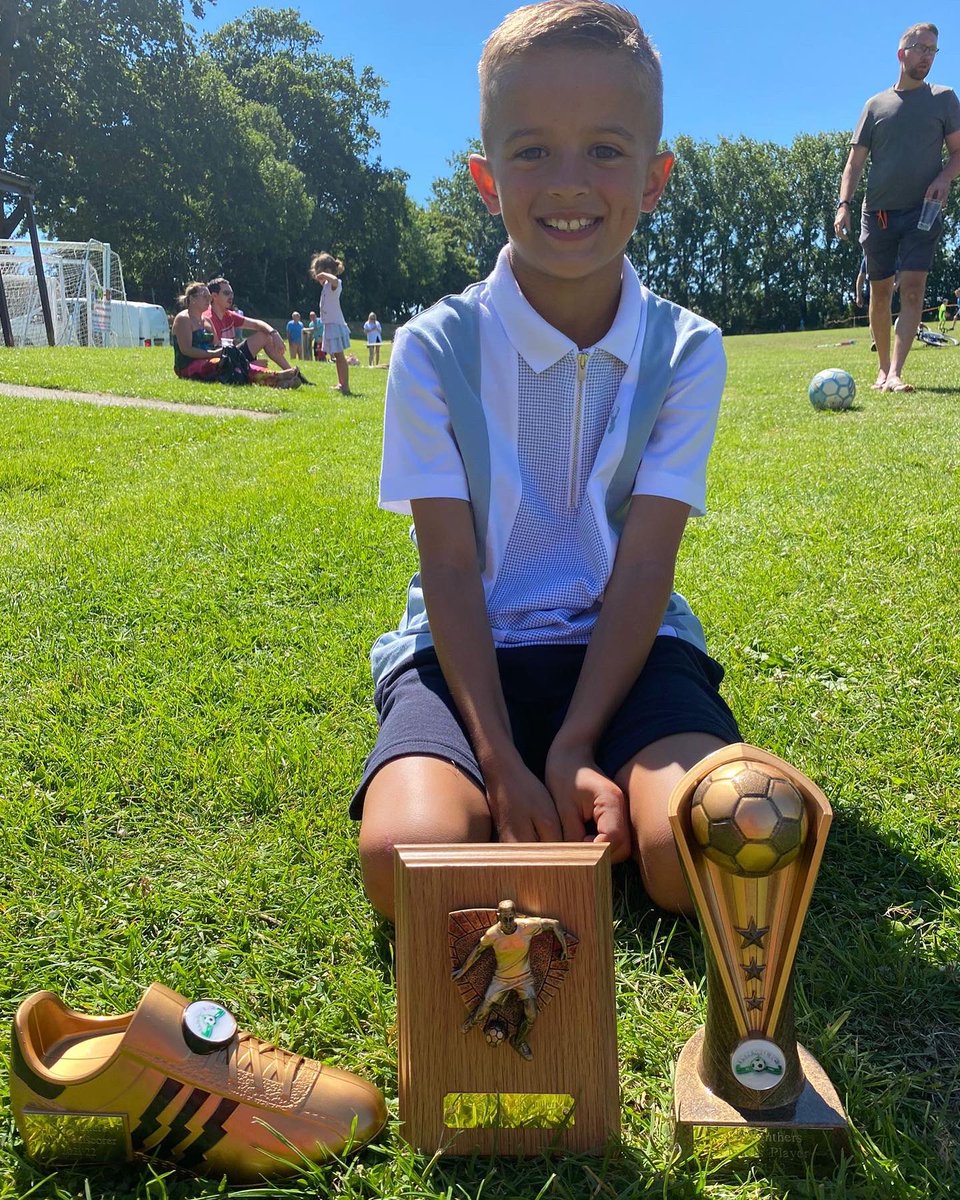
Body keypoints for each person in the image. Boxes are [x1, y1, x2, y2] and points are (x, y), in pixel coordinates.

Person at [354, 0, 745, 923]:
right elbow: (447, 565)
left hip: (626, 647)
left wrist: (575, 743)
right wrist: (500, 760)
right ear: (487, 178)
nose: (569, 182)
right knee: (403, 864)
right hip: (466, 654)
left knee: (706, 851)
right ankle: (504, 794)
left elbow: (646, 562)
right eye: (532, 150)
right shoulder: (432, 347)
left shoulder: (687, 350)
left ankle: (602, 790)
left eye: (606, 150)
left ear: (655, 179)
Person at [834, 24, 960, 392]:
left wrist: (944, 178)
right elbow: (854, 164)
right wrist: (844, 204)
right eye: (920, 48)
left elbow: (958, 153)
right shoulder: (875, 106)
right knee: (880, 291)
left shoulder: (944, 99)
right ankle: (881, 368)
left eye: (933, 50)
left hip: (924, 210)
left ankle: (896, 372)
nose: (926, 56)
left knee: (914, 288)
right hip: (878, 213)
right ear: (901, 52)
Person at [452, 900, 568, 1060]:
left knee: (532, 1015)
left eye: (510, 918)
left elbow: (554, 924)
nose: (508, 923)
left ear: (515, 915)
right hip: (501, 979)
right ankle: (471, 1022)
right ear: (498, 916)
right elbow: (477, 951)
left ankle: (518, 1040)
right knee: (484, 1009)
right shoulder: (492, 934)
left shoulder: (526, 926)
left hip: (524, 979)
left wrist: (564, 948)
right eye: (504, 919)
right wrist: (462, 970)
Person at [172, 283, 300, 388]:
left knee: (233, 361)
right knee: (228, 364)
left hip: (210, 360)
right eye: (204, 296)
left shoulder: (206, 321)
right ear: (192, 298)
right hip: (188, 366)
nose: (208, 299)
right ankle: (277, 377)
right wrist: (214, 354)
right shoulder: (183, 319)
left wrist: (225, 351)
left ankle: (280, 380)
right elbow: (186, 350)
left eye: (209, 296)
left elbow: (216, 345)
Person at [204, 278, 310, 385]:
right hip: (220, 360)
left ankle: (295, 374)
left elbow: (257, 324)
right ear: (214, 296)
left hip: (234, 356)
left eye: (232, 293)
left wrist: (274, 333)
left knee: (265, 335)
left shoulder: (229, 315)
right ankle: (278, 376)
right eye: (226, 293)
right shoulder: (208, 318)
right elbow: (214, 353)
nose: (231, 296)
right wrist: (248, 363)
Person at [309, 253, 351, 393]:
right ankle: (341, 383)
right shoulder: (326, 287)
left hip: (335, 324)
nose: (318, 278)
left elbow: (334, 280)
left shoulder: (334, 284)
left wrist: (325, 275)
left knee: (339, 356)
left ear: (327, 271)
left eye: (319, 273)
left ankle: (345, 385)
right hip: (329, 325)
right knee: (336, 356)